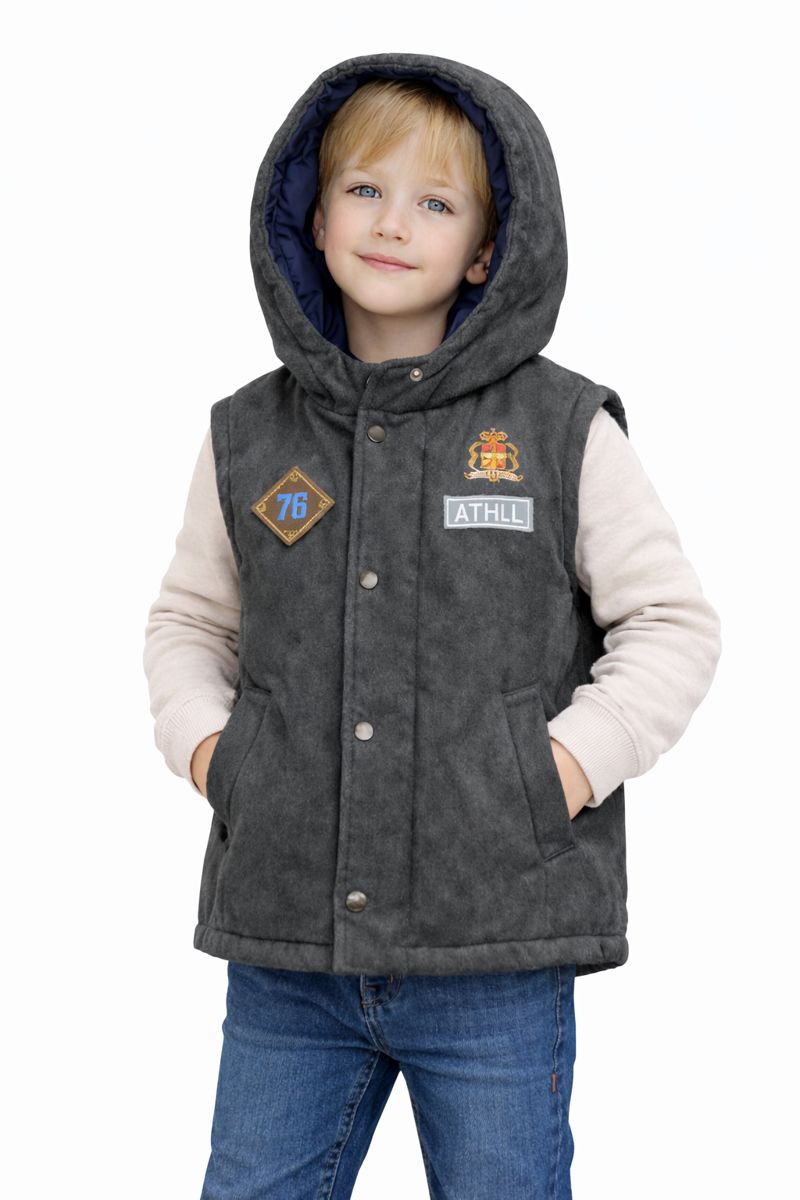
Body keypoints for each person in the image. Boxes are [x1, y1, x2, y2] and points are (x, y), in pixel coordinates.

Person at [143, 52, 722, 1199]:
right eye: (363, 189)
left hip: (492, 945)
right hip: (286, 948)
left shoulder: (558, 429)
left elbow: (669, 624)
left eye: (435, 203)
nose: (392, 223)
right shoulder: (249, 435)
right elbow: (189, 621)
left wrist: (552, 773)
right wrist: (218, 757)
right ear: (311, 218)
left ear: (489, 249)